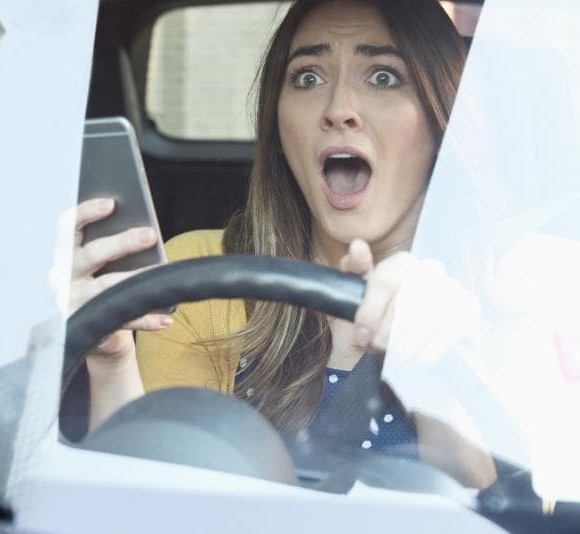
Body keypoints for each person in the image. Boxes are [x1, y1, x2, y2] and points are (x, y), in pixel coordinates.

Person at [60, 0, 497, 489]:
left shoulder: (519, 290)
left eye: (383, 77)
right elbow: (146, 503)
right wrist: (112, 361)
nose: (338, 110)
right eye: (308, 77)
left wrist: (433, 363)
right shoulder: (199, 275)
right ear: (278, 121)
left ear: (441, 118)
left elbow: (507, 510)